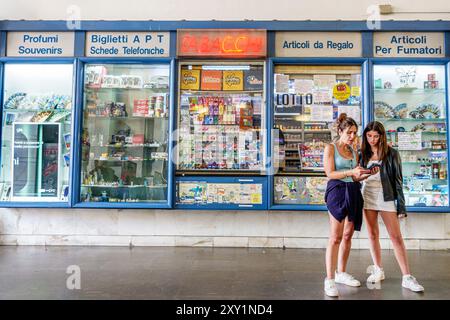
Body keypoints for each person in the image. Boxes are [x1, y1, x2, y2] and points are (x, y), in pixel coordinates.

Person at [360, 121, 424, 292]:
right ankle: (378, 269)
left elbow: (398, 181)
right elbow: (357, 175)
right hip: (367, 196)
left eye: (375, 136)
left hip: (386, 196)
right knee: (373, 234)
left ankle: (407, 277)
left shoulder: (392, 153)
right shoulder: (362, 153)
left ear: (381, 136)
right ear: (365, 136)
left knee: (396, 237)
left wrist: (401, 207)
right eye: (369, 136)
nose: (372, 139)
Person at [323, 113, 371, 297]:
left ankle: (341, 272)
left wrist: (367, 173)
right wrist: (351, 171)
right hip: (336, 190)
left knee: (348, 235)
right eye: (349, 132)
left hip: (353, 190)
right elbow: (330, 173)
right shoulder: (330, 148)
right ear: (340, 131)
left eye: (355, 133)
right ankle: (329, 279)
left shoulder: (353, 151)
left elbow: (355, 176)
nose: (352, 136)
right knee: (335, 237)